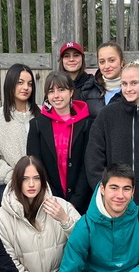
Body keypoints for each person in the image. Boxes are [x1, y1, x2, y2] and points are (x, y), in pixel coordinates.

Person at [86, 61, 139, 216]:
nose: (128, 89)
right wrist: (106, 192)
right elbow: (93, 158)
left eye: (134, 83)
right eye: (124, 84)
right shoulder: (107, 115)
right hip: (113, 202)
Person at [27, 72, 92, 213]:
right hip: (49, 202)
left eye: (61, 90)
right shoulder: (37, 125)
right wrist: (52, 198)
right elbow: (36, 166)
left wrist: (76, 201)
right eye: (51, 91)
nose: (56, 95)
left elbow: (88, 164)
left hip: (82, 202)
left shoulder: (86, 124)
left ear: (71, 92)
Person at [0, 63, 40, 189]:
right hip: (11, 185)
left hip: (41, 184)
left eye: (30, 84)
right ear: (10, 84)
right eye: (20, 82)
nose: (26, 87)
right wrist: (16, 178)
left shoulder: (43, 115)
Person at [83, 42, 125, 119]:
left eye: (111, 60)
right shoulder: (89, 89)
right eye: (102, 62)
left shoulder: (133, 90)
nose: (107, 66)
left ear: (121, 62)